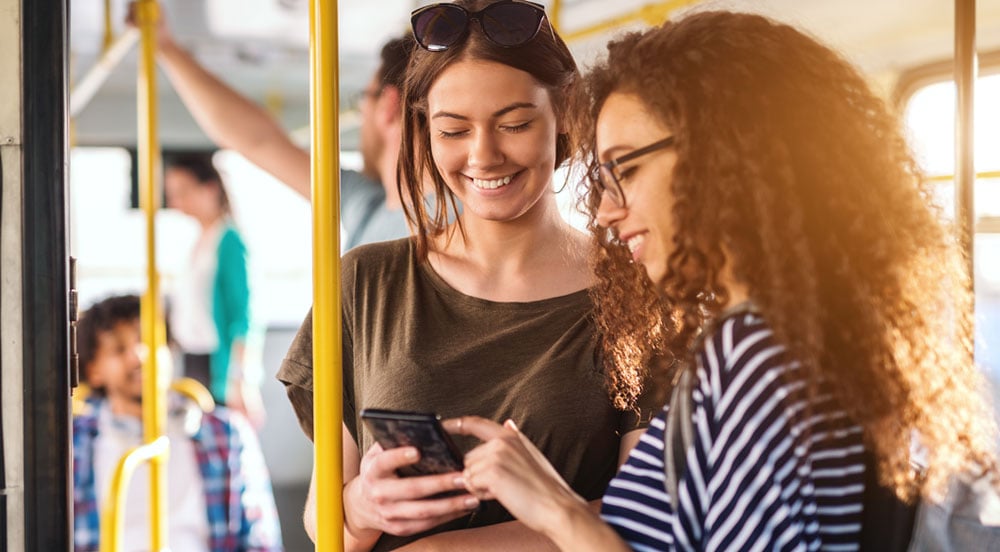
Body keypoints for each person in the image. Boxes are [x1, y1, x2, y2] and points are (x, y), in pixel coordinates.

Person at [447, 10, 1000, 551]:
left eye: (628, 171)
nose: (605, 213)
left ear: (721, 158)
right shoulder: (823, 334)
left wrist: (557, 511)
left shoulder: (757, 351)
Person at [276, 0, 659, 549]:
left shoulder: (636, 288)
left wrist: (441, 548)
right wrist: (363, 507)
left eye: (515, 124)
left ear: (567, 114)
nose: (484, 156)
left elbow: (645, 520)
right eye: (453, 131)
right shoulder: (365, 281)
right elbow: (328, 524)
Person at [127, 1, 414, 252]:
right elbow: (258, 141)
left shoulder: (448, 223)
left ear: (387, 106)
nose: (361, 112)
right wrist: (165, 47)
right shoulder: (368, 204)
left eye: (365, 97)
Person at [72, 294, 283, 552]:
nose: (139, 355)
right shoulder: (73, 443)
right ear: (93, 370)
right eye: (118, 349)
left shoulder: (225, 434)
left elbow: (260, 541)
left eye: (147, 340)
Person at [164, 153, 264, 426]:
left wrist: (240, 378)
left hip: (215, 364)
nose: (176, 202)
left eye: (183, 192)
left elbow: (243, 315)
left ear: (210, 189)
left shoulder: (228, 240)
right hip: (191, 359)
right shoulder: (199, 241)